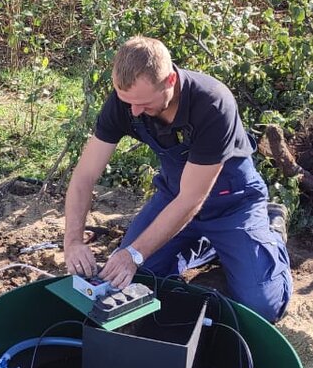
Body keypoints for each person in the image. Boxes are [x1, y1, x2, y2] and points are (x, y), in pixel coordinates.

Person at [62, 37, 292, 322]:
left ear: (170, 80)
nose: (133, 111)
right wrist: (72, 240)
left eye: (143, 104)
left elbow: (191, 199)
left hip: (232, 204)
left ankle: (269, 229)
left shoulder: (212, 103)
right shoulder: (127, 102)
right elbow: (84, 176)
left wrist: (133, 253)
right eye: (127, 102)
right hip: (174, 197)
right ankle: (208, 247)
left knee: (261, 306)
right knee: (134, 283)